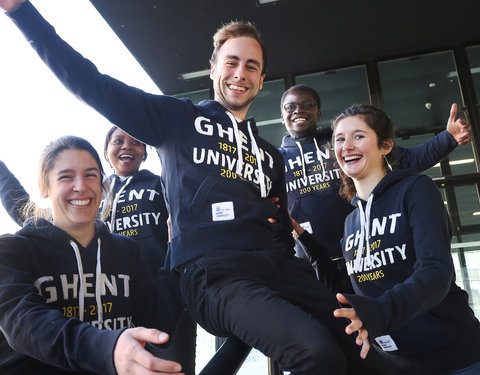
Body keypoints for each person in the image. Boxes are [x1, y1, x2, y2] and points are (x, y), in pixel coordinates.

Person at [0, 2, 395, 374]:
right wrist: (23, 13)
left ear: (261, 80)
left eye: (251, 67)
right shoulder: (176, 120)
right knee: (315, 351)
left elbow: (278, 224)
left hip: (279, 268)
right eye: (232, 62)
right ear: (212, 68)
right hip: (213, 276)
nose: (240, 73)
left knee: (362, 349)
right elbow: (92, 83)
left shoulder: (272, 157)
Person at [0, 127, 197, 375]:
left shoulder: (128, 250)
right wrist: (107, 348)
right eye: (66, 177)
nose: (81, 186)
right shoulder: (12, 251)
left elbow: (154, 319)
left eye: (90, 175)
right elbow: (22, 322)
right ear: (45, 187)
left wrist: (177, 260)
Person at [331, 104, 480, 375]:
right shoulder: (350, 222)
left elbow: (436, 273)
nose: (347, 145)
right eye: (340, 139)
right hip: (397, 366)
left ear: (386, 145)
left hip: (457, 359)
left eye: (358, 136)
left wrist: (378, 313)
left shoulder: (416, 189)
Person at [279, 84, 471, 292]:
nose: (298, 110)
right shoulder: (274, 160)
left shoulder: (342, 142)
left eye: (307, 104)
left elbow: (407, 159)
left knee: (375, 312)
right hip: (312, 265)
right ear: (282, 116)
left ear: (319, 112)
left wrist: (448, 138)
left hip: (365, 257)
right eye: (290, 107)